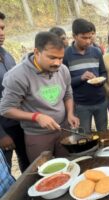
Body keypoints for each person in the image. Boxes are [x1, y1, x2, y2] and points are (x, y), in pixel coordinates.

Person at [0, 32, 79, 163]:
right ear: (37, 52)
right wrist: (37, 117)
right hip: (38, 135)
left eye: (60, 58)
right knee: (43, 171)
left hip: (63, 128)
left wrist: (70, 114)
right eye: (52, 57)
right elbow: (5, 109)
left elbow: (67, 94)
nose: (58, 63)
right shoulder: (18, 76)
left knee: (67, 164)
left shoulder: (63, 70)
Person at [63, 18, 107, 133]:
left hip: (100, 102)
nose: (88, 41)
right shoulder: (66, 55)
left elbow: (103, 73)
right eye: (84, 38)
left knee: (103, 133)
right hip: (81, 105)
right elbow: (64, 83)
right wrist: (80, 78)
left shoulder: (96, 52)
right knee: (84, 136)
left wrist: (101, 81)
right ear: (74, 36)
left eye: (90, 37)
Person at [0, 11, 29, 172]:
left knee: (26, 161)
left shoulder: (6, 55)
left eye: (3, 28)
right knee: (4, 169)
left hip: (19, 122)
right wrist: (1, 134)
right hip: (3, 127)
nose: (1, 33)